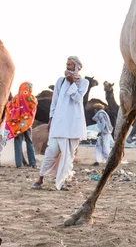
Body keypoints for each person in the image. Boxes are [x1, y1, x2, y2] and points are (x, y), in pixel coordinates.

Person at [32, 56, 89, 190]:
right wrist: (51, 118)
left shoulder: (84, 82)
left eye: (70, 65)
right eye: (67, 64)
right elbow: (55, 101)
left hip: (73, 124)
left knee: (68, 154)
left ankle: (62, 181)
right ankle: (41, 178)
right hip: (59, 122)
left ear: (77, 67)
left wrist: (72, 83)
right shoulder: (60, 81)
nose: (67, 67)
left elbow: (77, 98)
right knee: (51, 151)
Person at [4, 82, 38, 168]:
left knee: (17, 143)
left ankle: (18, 164)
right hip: (26, 124)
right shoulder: (31, 98)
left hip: (17, 125)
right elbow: (34, 107)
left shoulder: (15, 98)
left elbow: (9, 107)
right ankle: (32, 163)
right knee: (29, 142)